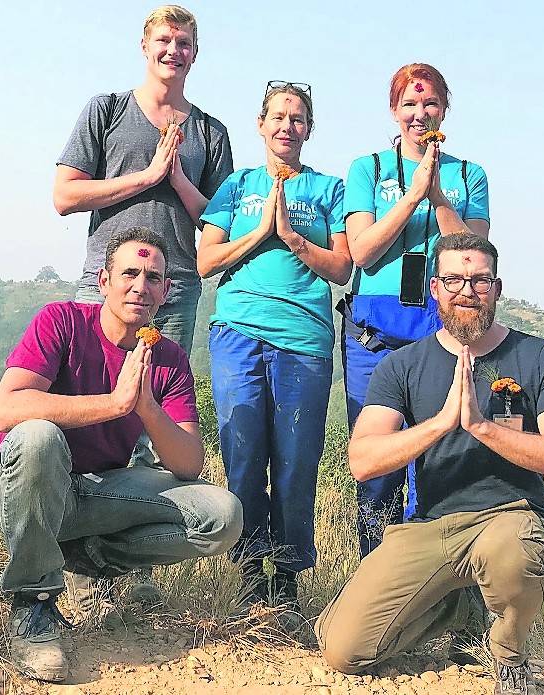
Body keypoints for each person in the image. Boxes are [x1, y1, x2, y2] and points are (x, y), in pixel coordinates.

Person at [315, 233, 544, 695]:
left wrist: (482, 427)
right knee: (344, 649)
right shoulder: (401, 366)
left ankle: (508, 656)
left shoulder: (542, 358)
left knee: (514, 553)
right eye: (455, 280)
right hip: (430, 525)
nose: (467, 291)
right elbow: (362, 460)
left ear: (497, 289)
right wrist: (440, 424)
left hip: (507, 517)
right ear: (435, 288)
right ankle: (462, 608)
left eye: (480, 281)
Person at [0, 228, 243, 682]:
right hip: (23, 491)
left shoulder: (167, 357)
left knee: (222, 514)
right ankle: (33, 605)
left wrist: (145, 405)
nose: (140, 285)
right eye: (129, 273)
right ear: (103, 281)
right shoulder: (60, 321)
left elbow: (187, 464)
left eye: (153, 277)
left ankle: (88, 557)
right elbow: (6, 409)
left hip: (97, 496)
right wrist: (114, 404)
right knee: (38, 437)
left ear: (165, 292)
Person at [197, 82, 351, 611]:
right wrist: (262, 229)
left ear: (309, 129)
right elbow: (205, 261)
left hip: (304, 339)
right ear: (261, 125)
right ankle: (246, 569)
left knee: (295, 458)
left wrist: (292, 238)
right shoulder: (236, 187)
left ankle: (285, 576)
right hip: (238, 330)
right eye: (279, 117)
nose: (288, 126)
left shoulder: (329, 190)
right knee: (242, 451)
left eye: (299, 118)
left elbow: (343, 266)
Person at [341, 62, 491, 557]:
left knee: (438, 458)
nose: (420, 113)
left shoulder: (470, 174)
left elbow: (472, 252)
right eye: (409, 104)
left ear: (445, 110)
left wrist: (439, 194)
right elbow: (361, 251)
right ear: (393, 110)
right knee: (381, 462)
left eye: (429, 104)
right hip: (375, 334)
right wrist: (411, 196)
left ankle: (437, 586)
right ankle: (375, 579)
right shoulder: (369, 170)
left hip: (442, 325)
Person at [53, 5, 234, 355]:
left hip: (173, 290)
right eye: (163, 40)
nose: (173, 50)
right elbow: (64, 196)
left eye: (183, 43)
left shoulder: (211, 132)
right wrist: (148, 176)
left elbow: (219, 226)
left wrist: (178, 179)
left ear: (195, 54)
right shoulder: (106, 109)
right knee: (92, 397)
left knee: (160, 400)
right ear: (144, 46)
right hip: (105, 283)